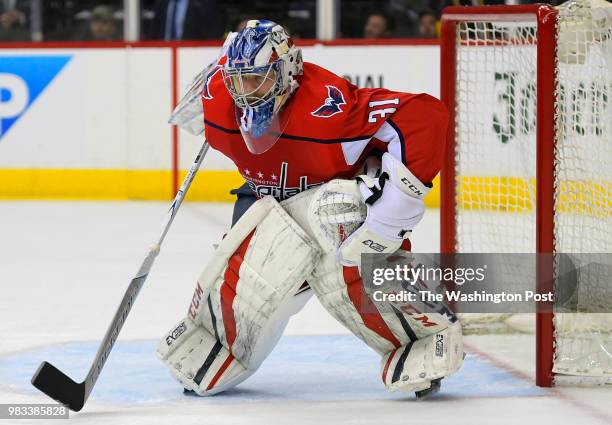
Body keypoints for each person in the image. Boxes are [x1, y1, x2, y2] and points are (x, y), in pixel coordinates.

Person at [157, 20, 464, 399]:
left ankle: (421, 335)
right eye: (239, 81)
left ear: (288, 71)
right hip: (267, 202)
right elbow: (208, 101)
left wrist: (392, 210)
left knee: (337, 214)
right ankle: (223, 345)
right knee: (251, 280)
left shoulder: (328, 109)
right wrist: (214, 94)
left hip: (335, 210)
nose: (246, 94)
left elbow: (424, 117)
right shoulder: (219, 99)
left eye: (258, 80)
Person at [149, 0, 224, 40]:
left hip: (193, 54)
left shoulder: (204, 3)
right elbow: (154, 32)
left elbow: (213, 34)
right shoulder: (161, 3)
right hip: (163, 53)